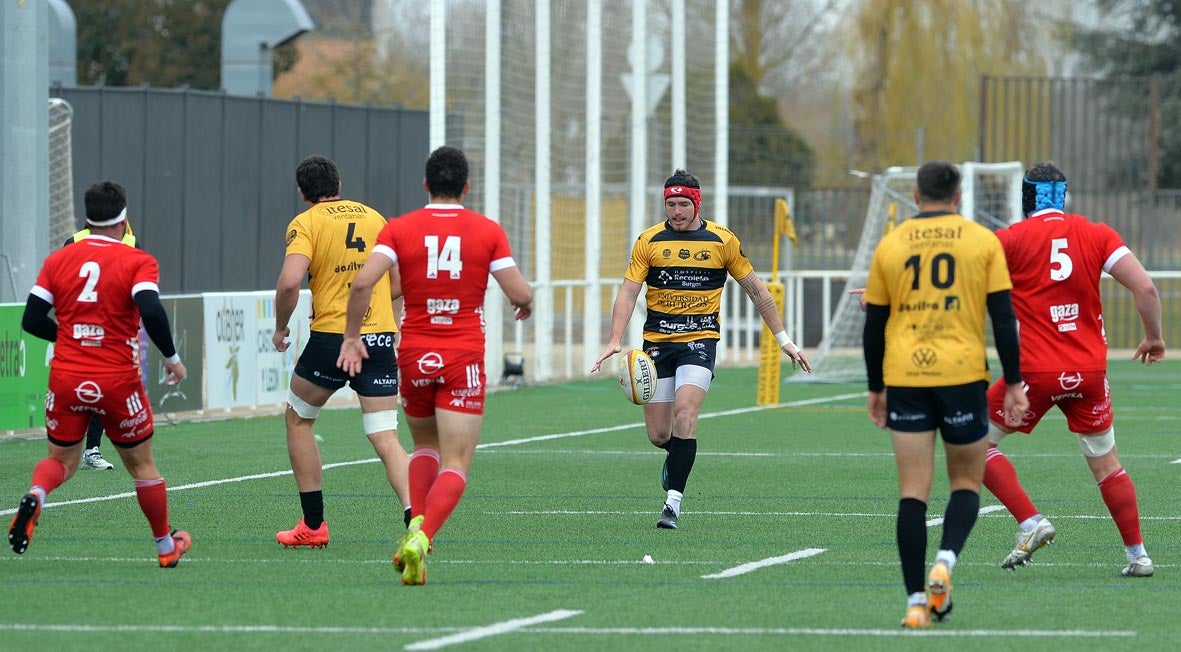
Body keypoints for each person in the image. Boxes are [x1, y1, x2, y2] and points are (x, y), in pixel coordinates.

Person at [337, 145, 533, 585]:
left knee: (424, 447)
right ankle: (422, 538)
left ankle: (413, 526)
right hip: (462, 354)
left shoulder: (401, 228)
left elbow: (363, 283)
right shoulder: (486, 230)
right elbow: (518, 293)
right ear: (466, 186)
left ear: (426, 184)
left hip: (415, 353)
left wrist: (352, 337)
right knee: (457, 462)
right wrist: (526, 305)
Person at [590, 168, 812, 531]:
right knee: (660, 436)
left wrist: (784, 340)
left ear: (696, 204)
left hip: (699, 341)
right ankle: (678, 456)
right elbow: (628, 291)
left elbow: (757, 291)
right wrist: (615, 338)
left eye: (682, 204)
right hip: (657, 345)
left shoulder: (722, 240)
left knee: (685, 414)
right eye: (670, 204)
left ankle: (672, 504)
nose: (676, 211)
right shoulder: (648, 241)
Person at [861, 161, 1028, 629]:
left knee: (913, 492)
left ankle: (916, 601)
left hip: (908, 379)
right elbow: (1002, 318)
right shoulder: (981, 241)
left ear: (916, 195)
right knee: (966, 484)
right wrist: (1013, 381)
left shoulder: (891, 244)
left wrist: (876, 387)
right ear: (958, 197)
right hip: (962, 377)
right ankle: (946, 563)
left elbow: (874, 325)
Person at [981, 162, 1165, 577]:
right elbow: (1145, 288)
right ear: (1063, 195)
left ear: (1026, 197)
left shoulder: (1008, 240)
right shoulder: (1097, 233)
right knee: (1107, 463)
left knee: (972, 442)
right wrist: (1154, 337)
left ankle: (1030, 522)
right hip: (1089, 372)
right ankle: (1138, 556)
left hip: (1034, 373)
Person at [10, 180, 191, 567]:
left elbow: (30, 319)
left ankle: (37, 495)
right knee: (142, 465)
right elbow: (152, 311)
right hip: (116, 379)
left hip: (67, 376)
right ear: (124, 217)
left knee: (62, 460)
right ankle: (164, 546)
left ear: (86, 216)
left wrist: (71, 337)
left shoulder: (59, 260)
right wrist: (173, 358)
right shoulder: (137, 259)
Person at [272, 154, 413, 549]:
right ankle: (416, 524)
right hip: (380, 338)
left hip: (334, 338)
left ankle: (313, 526)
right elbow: (398, 284)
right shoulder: (376, 218)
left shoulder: (306, 223)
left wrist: (281, 327)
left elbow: (288, 284)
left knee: (298, 417)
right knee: (385, 435)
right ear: (339, 184)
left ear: (302, 191)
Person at [66, 219, 139, 471]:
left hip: (110, 331)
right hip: (83, 328)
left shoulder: (130, 243)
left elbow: (138, 289)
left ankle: (91, 449)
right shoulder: (75, 242)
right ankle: (73, 447)